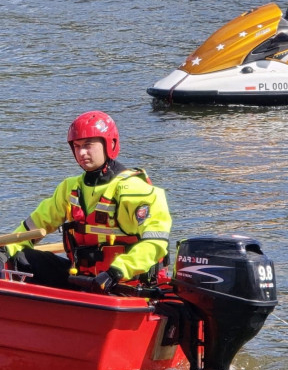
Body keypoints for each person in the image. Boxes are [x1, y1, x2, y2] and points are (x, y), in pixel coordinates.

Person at [3, 111, 172, 293]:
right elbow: (29, 230)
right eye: (76, 146)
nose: (82, 152)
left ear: (111, 143)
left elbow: (155, 244)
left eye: (88, 145)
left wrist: (116, 272)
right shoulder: (70, 188)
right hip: (82, 278)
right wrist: (5, 250)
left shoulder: (136, 191)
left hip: (123, 283)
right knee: (17, 257)